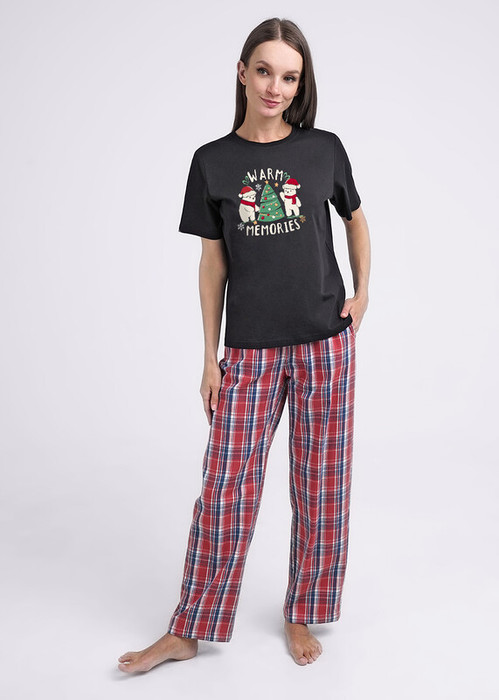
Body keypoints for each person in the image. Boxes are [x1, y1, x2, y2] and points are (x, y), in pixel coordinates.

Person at [118, 16, 371, 671]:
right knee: (225, 487)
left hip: (324, 343)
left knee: (322, 485)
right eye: (264, 71)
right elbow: (212, 263)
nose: (275, 87)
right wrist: (209, 358)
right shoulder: (213, 162)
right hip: (250, 350)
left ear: (300, 84)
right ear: (242, 72)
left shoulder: (324, 150)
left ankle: (301, 612)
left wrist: (362, 291)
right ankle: (190, 628)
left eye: (289, 76)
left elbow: (354, 218)